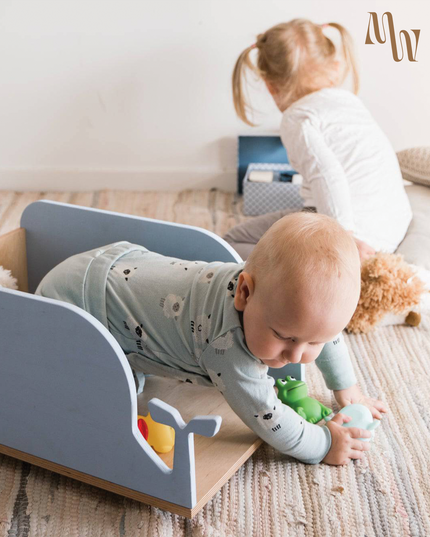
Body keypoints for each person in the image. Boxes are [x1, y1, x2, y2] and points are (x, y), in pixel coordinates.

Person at [35, 212, 387, 466]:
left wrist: (347, 389)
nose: (296, 355)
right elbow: (268, 416)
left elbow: (326, 334)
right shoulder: (228, 347)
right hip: (78, 299)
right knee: (92, 394)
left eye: (313, 342)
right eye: (284, 337)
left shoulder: (274, 300)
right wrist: (323, 443)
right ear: (244, 293)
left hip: (116, 266)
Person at [226, 19, 412, 262]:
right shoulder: (350, 102)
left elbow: (328, 175)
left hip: (356, 240)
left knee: (233, 241)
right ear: (335, 67)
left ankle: (297, 272)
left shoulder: (297, 118)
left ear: (271, 87)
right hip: (393, 226)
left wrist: (343, 240)